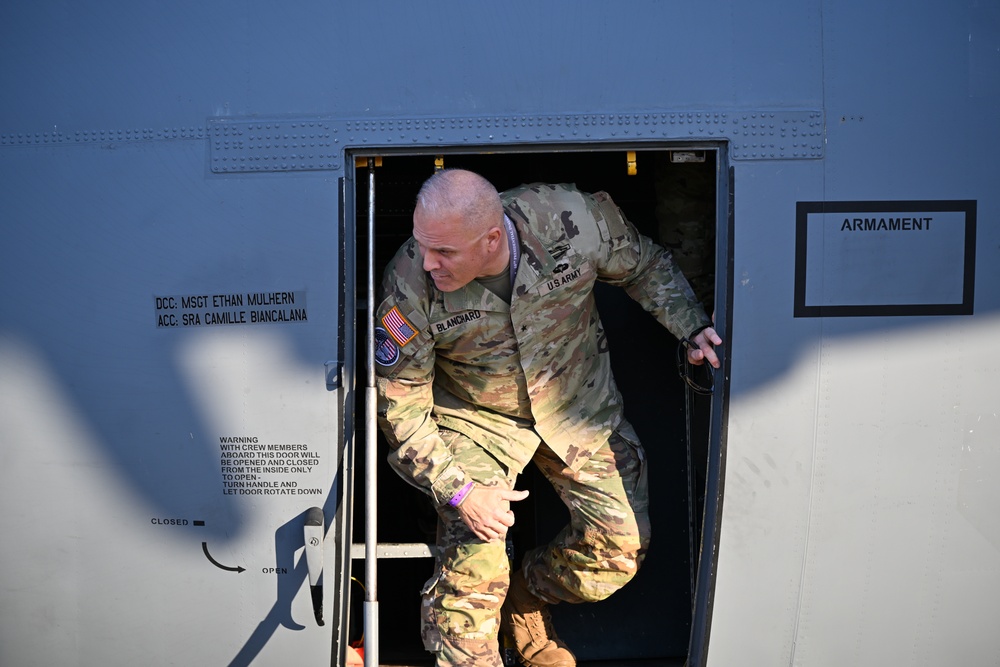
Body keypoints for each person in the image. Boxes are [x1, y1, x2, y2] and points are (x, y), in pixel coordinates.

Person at [374, 169, 722, 667]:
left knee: (617, 550)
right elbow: (400, 406)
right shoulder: (410, 282)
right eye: (422, 245)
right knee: (474, 572)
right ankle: (477, 632)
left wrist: (692, 327)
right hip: (478, 421)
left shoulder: (572, 219)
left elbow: (644, 265)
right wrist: (460, 491)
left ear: (492, 238)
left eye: (444, 252)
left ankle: (523, 600)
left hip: (575, 406)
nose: (427, 262)